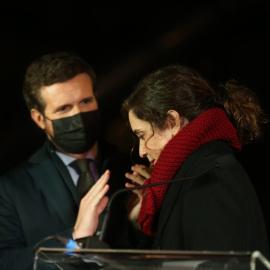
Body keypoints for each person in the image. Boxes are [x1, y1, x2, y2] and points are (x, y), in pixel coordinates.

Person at [0, 51, 133, 270]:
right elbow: (6, 262)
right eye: (64, 108)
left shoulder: (128, 165)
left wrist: (142, 223)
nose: (79, 115)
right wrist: (74, 240)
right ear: (39, 118)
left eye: (85, 101)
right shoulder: (11, 189)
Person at [122, 64, 270, 256]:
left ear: (172, 122)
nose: (141, 151)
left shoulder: (209, 177)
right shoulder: (191, 174)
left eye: (142, 135)